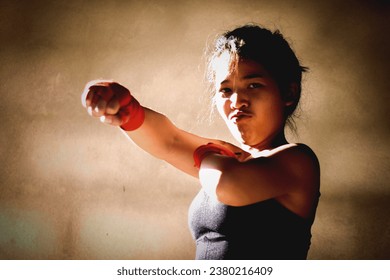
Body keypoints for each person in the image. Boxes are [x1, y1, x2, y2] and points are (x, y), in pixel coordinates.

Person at [81, 24, 320, 260]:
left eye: (254, 85)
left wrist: (203, 152)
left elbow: (228, 184)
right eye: (225, 90)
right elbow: (170, 141)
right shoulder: (223, 159)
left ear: (288, 93)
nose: (236, 101)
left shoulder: (298, 161)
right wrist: (128, 111)